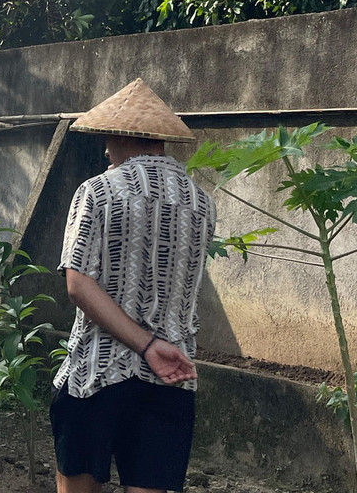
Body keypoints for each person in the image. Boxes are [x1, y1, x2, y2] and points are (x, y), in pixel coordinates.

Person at [50, 79, 216, 493]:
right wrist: (157, 346)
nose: (106, 151)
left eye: (108, 138)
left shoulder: (98, 191)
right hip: (172, 376)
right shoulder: (202, 202)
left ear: (122, 135)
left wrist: (144, 345)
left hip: (98, 370)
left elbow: (78, 284)